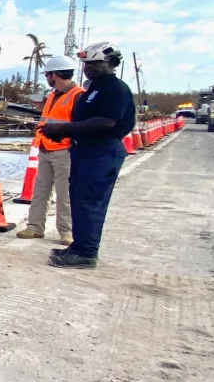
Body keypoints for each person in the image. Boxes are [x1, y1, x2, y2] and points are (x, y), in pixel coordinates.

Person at [39, 41, 136, 268]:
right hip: (85, 150)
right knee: (80, 199)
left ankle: (87, 253)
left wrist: (64, 128)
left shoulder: (115, 89)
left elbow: (105, 122)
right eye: (86, 63)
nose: (88, 67)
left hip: (102, 151)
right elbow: (82, 121)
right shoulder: (93, 89)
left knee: (91, 201)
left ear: (110, 63)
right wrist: (63, 132)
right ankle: (79, 246)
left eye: (94, 63)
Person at [17, 56, 81, 244]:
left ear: (56, 74)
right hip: (46, 148)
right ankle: (35, 227)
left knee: (65, 194)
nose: (47, 77)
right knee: (41, 190)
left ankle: (66, 232)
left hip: (65, 151)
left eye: (48, 74)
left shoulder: (78, 95)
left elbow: (78, 125)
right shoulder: (53, 95)